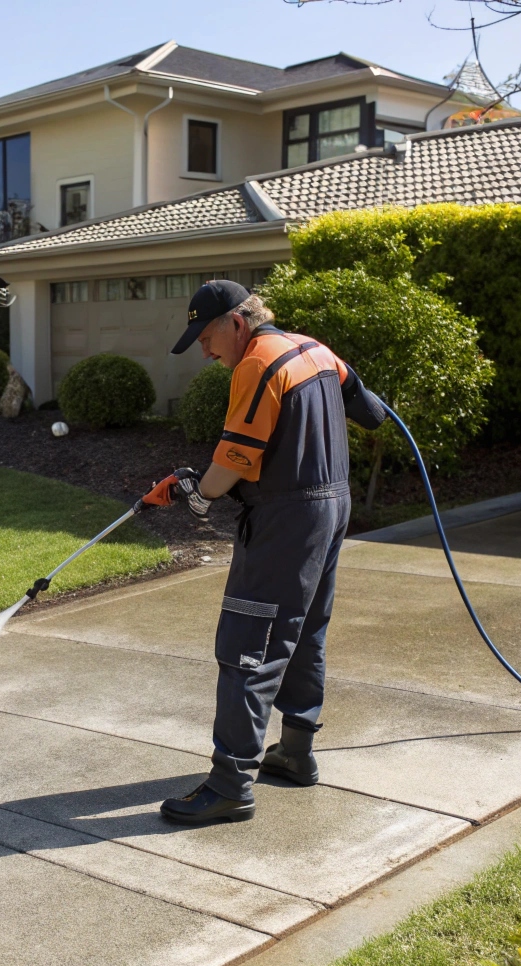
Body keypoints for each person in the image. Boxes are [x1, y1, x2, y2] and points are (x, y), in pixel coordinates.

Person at [156, 280, 387, 825]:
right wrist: (368, 405)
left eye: (208, 338)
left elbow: (230, 466)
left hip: (287, 517)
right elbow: (370, 410)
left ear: (238, 323)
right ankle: (297, 753)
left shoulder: (257, 364)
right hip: (332, 507)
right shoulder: (316, 351)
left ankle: (231, 784)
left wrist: (195, 490)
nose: (206, 352)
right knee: (305, 630)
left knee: (249, 641)